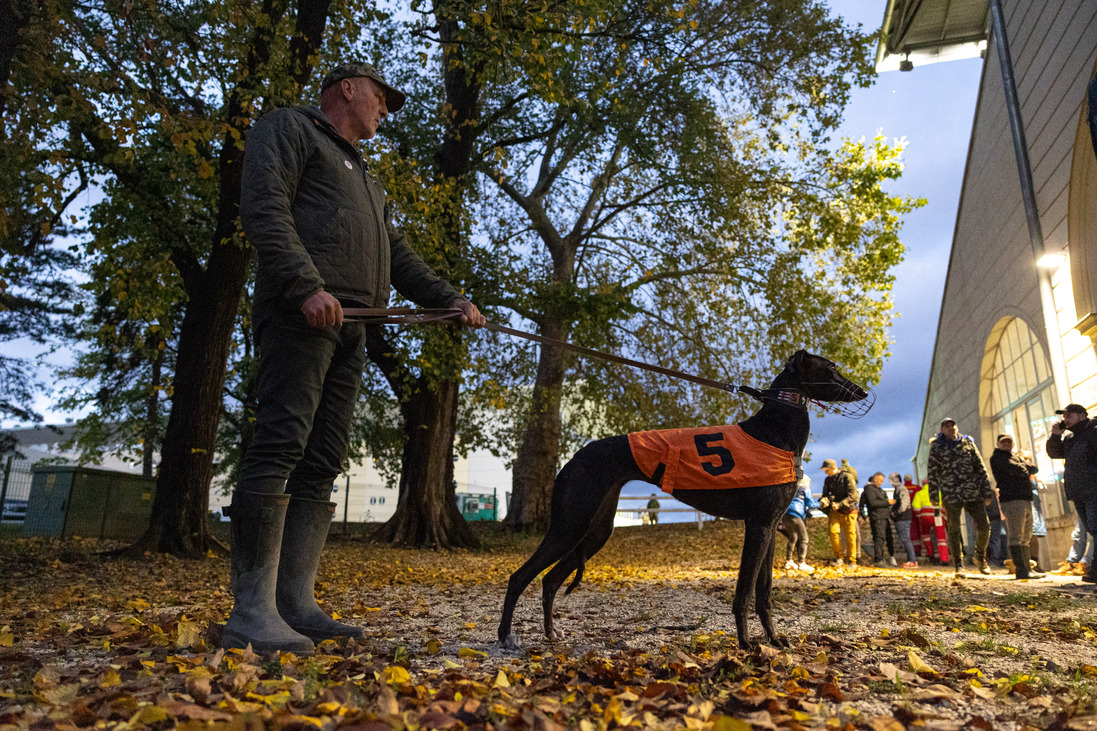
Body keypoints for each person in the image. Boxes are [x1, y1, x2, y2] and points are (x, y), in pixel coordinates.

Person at [223, 62, 486, 653]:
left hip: (353, 329)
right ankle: (250, 612)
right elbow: (265, 207)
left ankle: (294, 604)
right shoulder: (289, 128)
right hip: (302, 313)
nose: (385, 110)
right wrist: (304, 285)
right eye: (380, 97)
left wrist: (450, 299)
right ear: (347, 88)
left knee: (323, 460)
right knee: (280, 443)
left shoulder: (368, 181)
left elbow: (398, 254)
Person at [927, 417, 994, 578]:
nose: (951, 428)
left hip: (972, 491)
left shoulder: (968, 443)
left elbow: (980, 467)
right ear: (942, 430)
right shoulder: (937, 446)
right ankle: (959, 564)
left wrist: (986, 491)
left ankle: (979, 556)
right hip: (951, 493)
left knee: (984, 525)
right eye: (947, 426)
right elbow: (932, 472)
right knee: (954, 529)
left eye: (953, 425)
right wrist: (934, 494)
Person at [1046, 403, 1097, 584]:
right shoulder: (1070, 438)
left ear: (1082, 415)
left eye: (1069, 415)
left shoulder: (1092, 432)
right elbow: (1054, 453)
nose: (1064, 419)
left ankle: (1095, 571)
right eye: (1064, 416)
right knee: (1092, 529)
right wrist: (1055, 436)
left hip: (1093, 488)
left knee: (1096, 529)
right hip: (1078, 491)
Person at [989, 434, 1045, 580]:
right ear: (998, 444)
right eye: (1003, 442)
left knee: (1026, 537)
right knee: (1016, 536)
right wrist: (1023, 468)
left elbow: (1034, 468)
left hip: (1025, 499)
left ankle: (1027, 568)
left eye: (1009, 441)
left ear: (1013, 444)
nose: (1006, 444)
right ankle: (1021, 570)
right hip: (1012, 500)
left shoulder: (1016, 458)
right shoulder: (997, 458)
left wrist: (1022, 468)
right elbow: (1015, 470)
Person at [818, 458, 859, 566]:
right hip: (835, 511)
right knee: (833, 532)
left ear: (833, 467)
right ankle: (838, 557)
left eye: (826, 469)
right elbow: (825, 494)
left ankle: (852, 560)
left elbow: (853, 496)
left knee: (850, 536)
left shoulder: (847, 477)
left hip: (849, 511)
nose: (825, 472)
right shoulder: (827, 480)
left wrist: (840, 504)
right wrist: (824, 500)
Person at [779, 475, 817, 572]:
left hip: (785, 515)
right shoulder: (804, 489)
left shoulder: (790, 489)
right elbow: (811, 504)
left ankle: (789, 561)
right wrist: (822, 504)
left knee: (793, 538)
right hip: (796, 515)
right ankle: (801, 562)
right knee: (804, 539)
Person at [860, 472, 895, 567]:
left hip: (884, 517)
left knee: (884, 538)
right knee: (879, 538)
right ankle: (879, 559)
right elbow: (873, 503)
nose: (882, 483)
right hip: (877, 517)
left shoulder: (879, 490)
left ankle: (882, 558)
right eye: (880, 481)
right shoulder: (869, 490)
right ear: (875, 479)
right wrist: (887, 502)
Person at [889, 472, 918, 567]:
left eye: (891, 479)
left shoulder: (901, 489)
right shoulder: (899, 489)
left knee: (906, 539)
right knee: (906, 539)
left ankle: (912, 560)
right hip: (902, 517)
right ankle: (911, 560)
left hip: (903, 518)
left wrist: (895, 513)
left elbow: (904, 504)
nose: (890, 482)